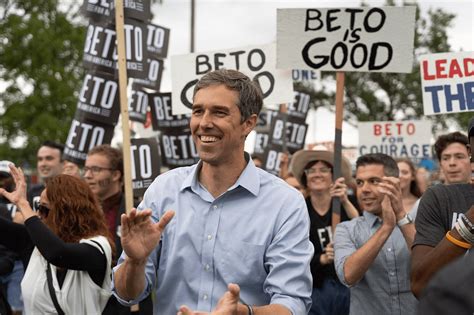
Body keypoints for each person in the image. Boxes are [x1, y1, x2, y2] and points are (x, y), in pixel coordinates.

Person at [112, 69, 314, 314]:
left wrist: (242, 313)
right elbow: (126, 294)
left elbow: (292, 303)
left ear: (248, 123)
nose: (204, 123)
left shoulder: (284, 203)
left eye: (219, 112)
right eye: (198, 111)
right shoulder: (163, 190)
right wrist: (135, 261)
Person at [0, 164, 113, 314]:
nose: (38, 215)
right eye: (37, 207)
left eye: (44, 209)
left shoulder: (98, 247)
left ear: (66, 213)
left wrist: (22, 204)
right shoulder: (33, 242)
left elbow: (57, 253)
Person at [334, 153, 417, 315]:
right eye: (359, 182)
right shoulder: (346, 229)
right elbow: (348, 276)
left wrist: (400, 215)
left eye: (374, 181)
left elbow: (429, 264)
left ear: (394, 184)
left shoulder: (418, 222)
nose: (364, 189)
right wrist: (386, 227)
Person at [84, 144, 153, 314]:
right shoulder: (82, 211)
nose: (87, 175)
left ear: (116, 174)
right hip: (91, 303)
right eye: (86, 169)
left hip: (128, 306)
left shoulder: (136, 212)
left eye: (96, 169)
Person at [290, 149, 358, 315]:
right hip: (314, 287)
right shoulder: (298, 209)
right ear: (305, 178)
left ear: (333, 176)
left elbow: (361, 231)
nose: (317, 174)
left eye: (323, 170)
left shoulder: (346, 204)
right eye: (311, 171)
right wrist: (321, 258)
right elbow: (292, 252)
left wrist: (344, 201)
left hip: (346, 285)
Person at [411, 119, 474, 297]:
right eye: (446, 158)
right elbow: (420, 284)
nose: (452, 163)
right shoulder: (437, 197)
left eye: (457, 156)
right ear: (471, 151)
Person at [27, 140, 64, 211]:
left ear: (63, 163)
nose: (43, 164)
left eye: (49, 158)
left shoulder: (74, 192)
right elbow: (18, 219)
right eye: (40, 159)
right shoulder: (32, 191)